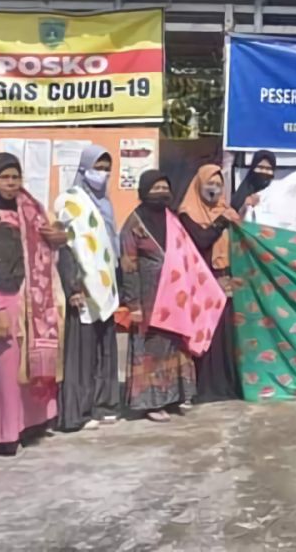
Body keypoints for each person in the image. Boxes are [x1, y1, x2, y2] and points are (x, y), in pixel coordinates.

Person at [0, 153, 66, 454]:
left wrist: (58, 238)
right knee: (6, 369)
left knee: (28, 365)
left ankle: (31, 424)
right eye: (5, 178)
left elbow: (50, 246)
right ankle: (1, 434)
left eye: (16, 177)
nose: (12, 184)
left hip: (33, 297)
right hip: (3, 297)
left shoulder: (31, 210)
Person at [120, 171, 197, 421]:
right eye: (155, 188)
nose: (161, 192)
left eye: (165, 187)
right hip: (149, 295)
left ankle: (175, 395)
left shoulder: (171, 219)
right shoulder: (134, 223)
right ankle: (152, 403)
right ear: (144, 191)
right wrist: (133, 303)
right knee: (152, 347)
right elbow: (128, 264)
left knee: (174, 345)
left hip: (175, 296)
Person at [54, 145, 120, 432]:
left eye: (106, 169)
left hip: (105, 286)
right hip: (82, 286)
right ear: (83, 169)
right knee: (80, 354)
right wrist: (73, 286)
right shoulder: (69, 201)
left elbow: (109, 246)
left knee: (104, 350)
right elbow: (66, 247)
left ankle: (102, 404)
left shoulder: (104, 204)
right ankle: (77, 411)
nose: (102, 174)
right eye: (97, 167)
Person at [178, 164, 242, 403]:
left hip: (225, 283)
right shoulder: (187, 212)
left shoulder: (225, 211)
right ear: (198, 185)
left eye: (218, 184)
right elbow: (201, 240)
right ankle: (204, 389)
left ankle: (225, 387)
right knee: (205, 337)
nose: (213, 189)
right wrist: (220, 223)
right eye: (209, 184)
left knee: (225, 337)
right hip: (201, 283)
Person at [231, 150, 277, 218]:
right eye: (260, 167)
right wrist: (245, 206)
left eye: (268, 168)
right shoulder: (241, 194)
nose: (264, 171)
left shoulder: (276, 193)